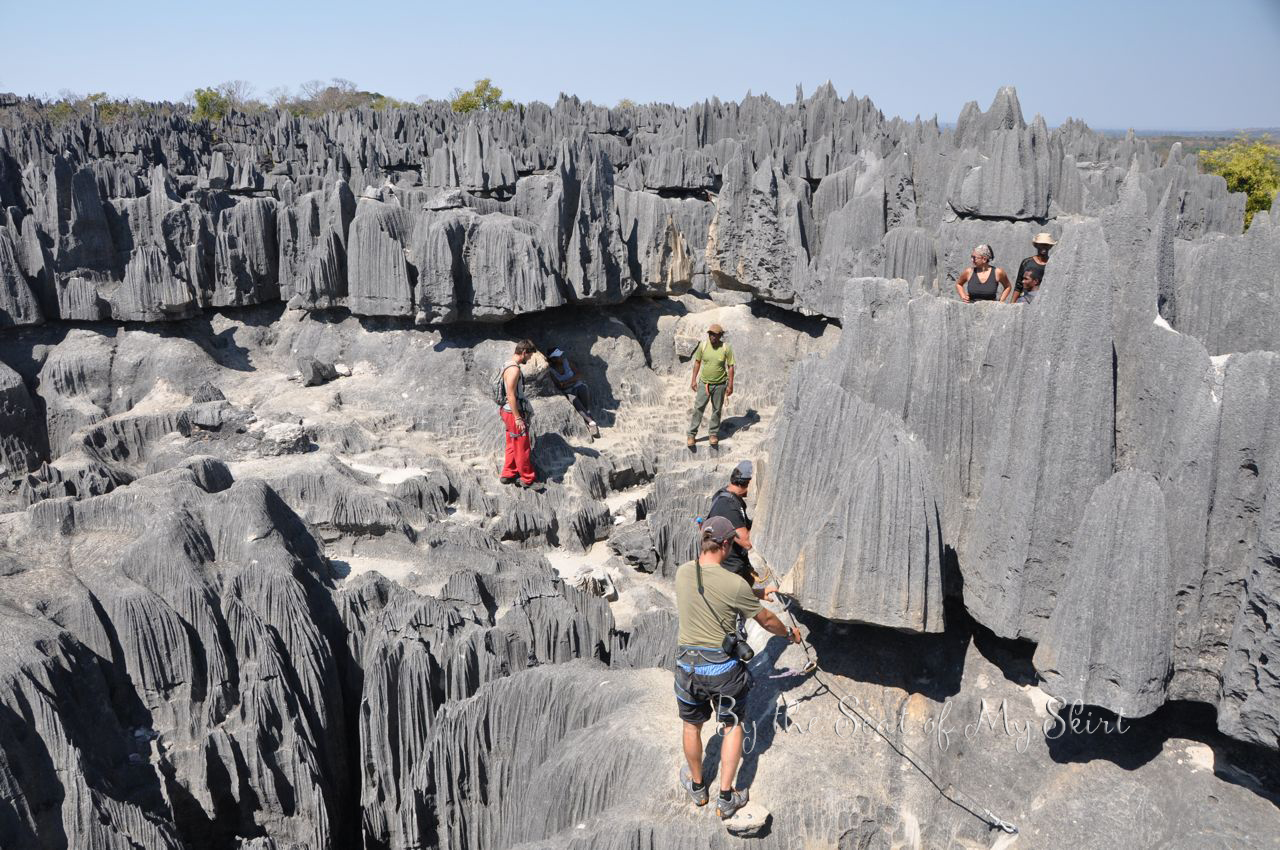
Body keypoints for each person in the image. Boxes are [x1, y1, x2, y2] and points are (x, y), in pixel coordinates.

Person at [674, 516, 801, 819]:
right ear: (726, 544)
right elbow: (766, 620)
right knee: (732, 726)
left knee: (691, 726)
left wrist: (758, 593)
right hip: (722, 673)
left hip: (686, 669)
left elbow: (717, 592)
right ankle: (726, 797)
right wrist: (790, 634)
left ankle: (697, 786)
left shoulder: (683, 573)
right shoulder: (733, 583)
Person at [704, 460, 775, 599]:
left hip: (733, 569)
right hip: (729, 574)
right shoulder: (727, 506)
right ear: (748, 483)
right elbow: (746, 542)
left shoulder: (727, 496)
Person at [498, 339, 539, 489]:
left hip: (506, 410)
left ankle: (508, 473)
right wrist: (518, 418)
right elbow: (510, 395)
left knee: (511, 442)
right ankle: (527, 479)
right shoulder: (514, 369)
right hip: (512, 412)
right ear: (523, 353)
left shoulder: (506, 364)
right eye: (529, 355)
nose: (529, 358)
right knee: (522, 445)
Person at [687, 323, 735, 450]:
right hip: (705, 384)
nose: (712, 337)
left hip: (720, 385)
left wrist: (730, 384)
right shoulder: (702, 346)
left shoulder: (726, 348)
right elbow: (697, 362)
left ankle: (713, 434)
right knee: (698, 408)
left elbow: (730, 366)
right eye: (710, 334)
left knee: (717, 410)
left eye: (715, 335)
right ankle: (691, 435)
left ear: (720, 336)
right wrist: (693, 380)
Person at [546, 348, 600, 438]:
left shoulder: (567, 362)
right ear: (553, 359)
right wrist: (570, 381)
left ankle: (587, 411)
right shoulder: (551, 371)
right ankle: (590, 420)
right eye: (559, 356)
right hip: (567, 391)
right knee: (573, 399)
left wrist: (566, 382)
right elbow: (559, 386)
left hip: (577, 385)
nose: (561, 357)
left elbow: (579, 375)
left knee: (583, 388)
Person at [1009, 232, 1055, 305]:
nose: (1044, 247)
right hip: (1026, 299)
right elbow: (1019, 285)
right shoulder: (1027, 262)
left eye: (1046, 245)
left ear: (1050, 247)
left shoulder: (1052, 263)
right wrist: (1012, 304)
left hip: (1045, 300)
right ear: (1036, 245)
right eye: (1041, 244)